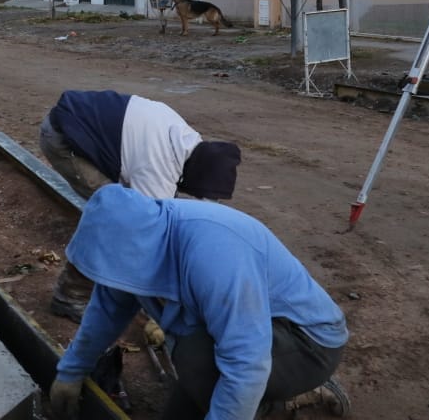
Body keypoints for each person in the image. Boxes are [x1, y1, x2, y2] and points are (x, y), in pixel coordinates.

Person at [47, 184, 349, 420]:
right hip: (255, 333)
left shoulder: (214, 254)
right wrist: (71, 372)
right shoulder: (136, 242)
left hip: (308, 342)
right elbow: (107, 309)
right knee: (188, 389)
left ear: (135, 250)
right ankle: (253, 398)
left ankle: (277, 401)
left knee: (193, 354)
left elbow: (246, 363)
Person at [39, 89, 242, 320]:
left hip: (75, 125)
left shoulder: (186, 142)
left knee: (134, 215)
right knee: (118, 219)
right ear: (195, 176)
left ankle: (106, 284)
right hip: (63, 138)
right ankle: (70, 296)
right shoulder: (159, 165)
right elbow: (150, 234)